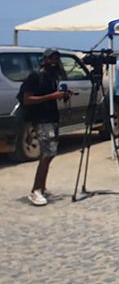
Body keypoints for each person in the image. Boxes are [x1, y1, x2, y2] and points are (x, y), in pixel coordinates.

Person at [23, 48, 71, 206]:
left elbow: (53, 96)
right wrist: (52, 96)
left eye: (56, 59)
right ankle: (35, 190)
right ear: (44, 59)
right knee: (48, 153)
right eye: (51, 59)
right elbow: (28, 99)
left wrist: (63, 95)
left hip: (52, 117)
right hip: (41, 119)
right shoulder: (35, 76)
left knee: (50, 153)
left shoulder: (52, 77)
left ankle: (42, 186)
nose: (54, 62)